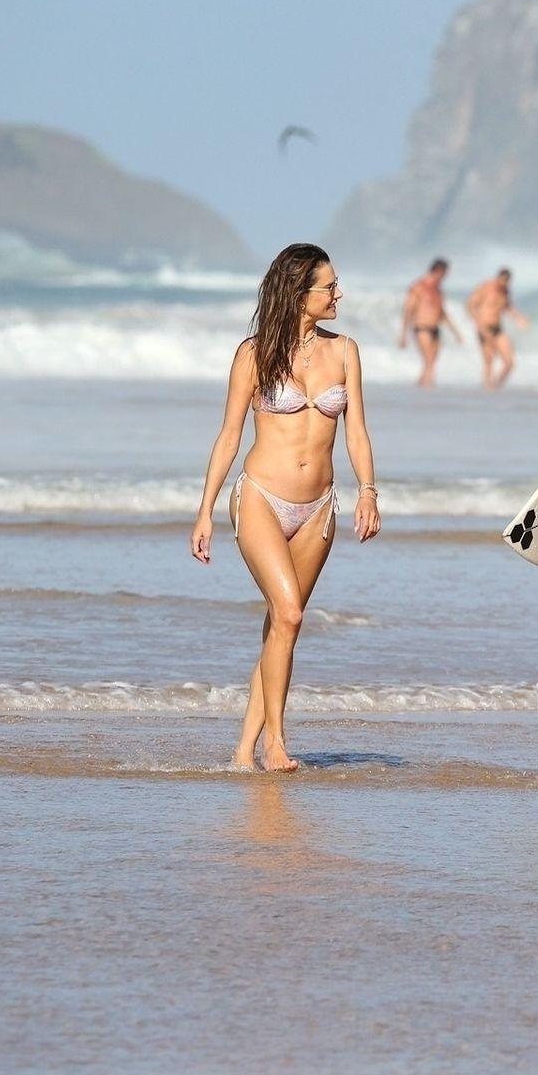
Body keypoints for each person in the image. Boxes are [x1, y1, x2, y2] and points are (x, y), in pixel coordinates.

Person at [191, 243, 382, 771]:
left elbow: (357, 432)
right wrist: (205, 510)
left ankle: (242, 752)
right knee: (291, 612)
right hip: (261, 498)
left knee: (283, 624)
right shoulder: (253, 354)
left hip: (318, 507)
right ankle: (276, 742)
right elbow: (229, 436)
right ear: (300, 294)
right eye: (330, 286)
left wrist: (368, 491)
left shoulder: (346, 351)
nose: (339, 293)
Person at [398, 257, 462, 387]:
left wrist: (455, 332)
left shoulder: (438, 290)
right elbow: (408, 310)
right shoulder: (419, 287)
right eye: (445, 273)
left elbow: (442, 313)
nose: (446, 277)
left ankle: (421, 387)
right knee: (429, 361)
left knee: (431, 362)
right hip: (422, 328)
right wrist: (403, 335)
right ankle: (429, 388)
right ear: (438, 271)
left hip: (435, 329)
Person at [466, 267, 531, 389]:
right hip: (484, 328)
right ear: (498, 278)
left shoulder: (505, 291)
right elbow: (470, 305)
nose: (504, 284)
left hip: (498, 328)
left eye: (507, 282)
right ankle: (488, 389)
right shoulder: (486, 287)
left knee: (509, 363)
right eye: (503, 281)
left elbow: (508, 307)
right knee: (489, 361)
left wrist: (519, 318)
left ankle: (496, 386)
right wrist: (478, 324)